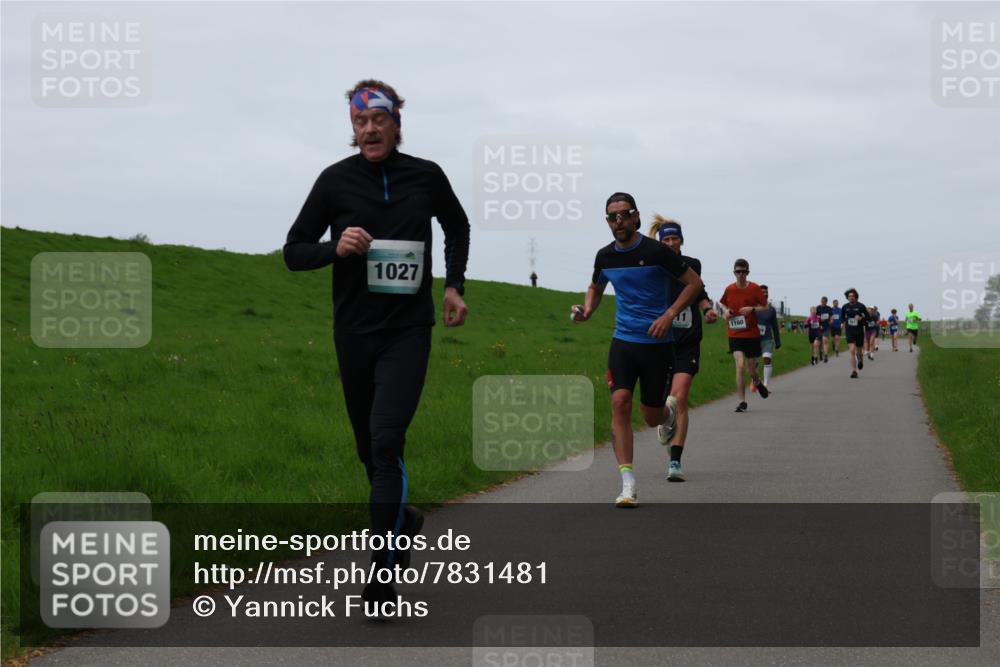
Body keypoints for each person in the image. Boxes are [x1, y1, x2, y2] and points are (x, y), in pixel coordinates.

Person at [283, 79, 470, 605]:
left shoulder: (426, 176)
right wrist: (334, 247)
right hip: (354, 333)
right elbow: (293, 251)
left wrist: (453, 285)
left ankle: (382, 571)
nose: (369, 129)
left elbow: (457, 227)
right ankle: (402, 518)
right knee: (369, 449)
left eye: (378, 120)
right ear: (352, 128)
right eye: (360, 122)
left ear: (396, 124)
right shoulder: (334, 183)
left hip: (408, 331)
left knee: (388, 442)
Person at [572, 193, 704, 506]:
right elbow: (596, 285)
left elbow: (694, 283)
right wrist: (588, 310)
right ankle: (628, 483)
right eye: (611, 217)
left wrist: (669, 316)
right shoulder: (605, 256)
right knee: (619, 402)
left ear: (635, 217)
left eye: (623, 215)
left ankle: (669, 413)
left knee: (651, 417)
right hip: (624, 342)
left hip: (658, 345)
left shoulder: (657, 251)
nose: (618, 221)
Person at [648, 216, 717, 482]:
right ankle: (666, 424)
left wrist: (708, 309)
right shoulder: (652, 266)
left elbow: (699, 292)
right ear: (660, 242)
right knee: (661, 404)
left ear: (681, 241)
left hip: (687, 340)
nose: (670, 243)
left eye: (674, 238)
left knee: (680, 397)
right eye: (665, 239)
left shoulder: (693, 265)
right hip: (659, 341)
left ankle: (675, 460)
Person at [719, 259, 770, 413]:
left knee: (751, 369)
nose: (740, 274)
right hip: (734, 333)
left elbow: (765, 306)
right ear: (734, 272)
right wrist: (725, 312)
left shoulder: (754, 288)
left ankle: (757, 381)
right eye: (737, 272)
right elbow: (722, 304)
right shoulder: (729, 289)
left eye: (743, 272)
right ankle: (742, 401)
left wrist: (752, 309)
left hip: (752, 334)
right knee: (740, 366)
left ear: (747, 273)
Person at [841, 288, 871, 378]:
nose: (851, 298)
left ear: (856, 297)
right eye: (849, 296)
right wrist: (843, 323)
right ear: (847, 297)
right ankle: (854, 371)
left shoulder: (861, 306)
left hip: (859, 331)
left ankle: (860, 360)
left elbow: (868, 318)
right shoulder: (845, 307)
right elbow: (842, 318)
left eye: (853, 296)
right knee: (852, 350)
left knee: (858, 350)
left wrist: (861, 318)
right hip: (849, 331)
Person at [757, 284, 782, 389]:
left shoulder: (771, 309)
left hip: (767, 339)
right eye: (762, 292)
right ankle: (755, 380)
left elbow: (775, 326)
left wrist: (777, 341)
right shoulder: (753, 307)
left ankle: (766, 385)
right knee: (753, 363)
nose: (765, 294)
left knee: (767, 359)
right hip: (754, 339)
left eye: (766, 292)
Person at [815, 296, 833, 363]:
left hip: (826, 327)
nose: (822, 303)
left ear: (826, 302)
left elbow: (831, 316)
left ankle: (825, 355)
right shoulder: (818, 308)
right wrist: (819, 318)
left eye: (824, 302)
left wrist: (831, 320)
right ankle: (818, 354)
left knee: (825, 340)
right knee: (818, 343)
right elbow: (814, 316)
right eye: (822, 301)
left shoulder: (829, 308)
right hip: (818, 327)